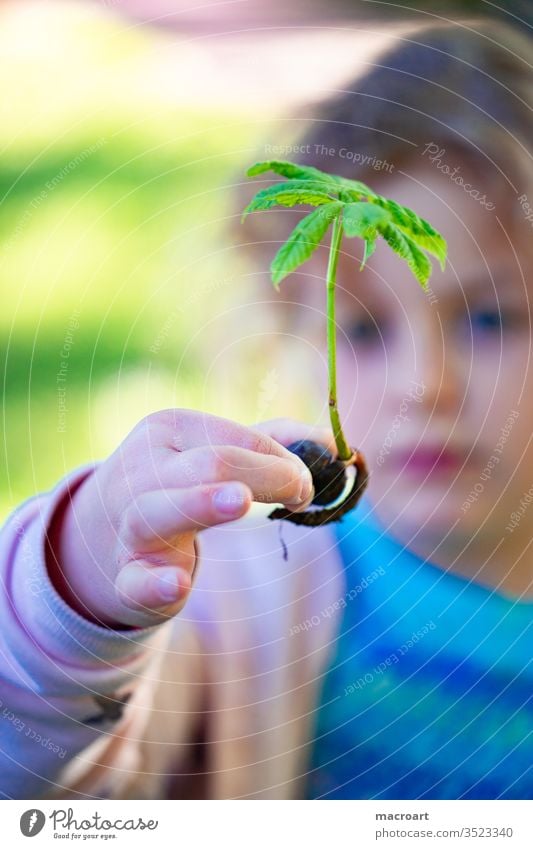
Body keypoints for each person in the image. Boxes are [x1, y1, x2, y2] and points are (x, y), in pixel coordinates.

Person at [0, 18, 531, 800]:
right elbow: (51, 783)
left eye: (489, 318)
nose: (426, 383)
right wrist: (80, 590)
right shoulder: (240, 599)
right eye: (364, 327)